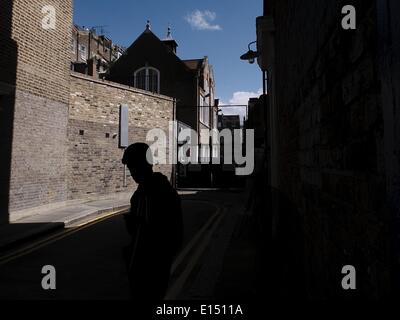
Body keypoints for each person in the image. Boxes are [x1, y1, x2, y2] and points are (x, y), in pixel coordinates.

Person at [121, 143, 183, 300]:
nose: (131, 172)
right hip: (159, 262)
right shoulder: (162, 189)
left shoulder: (147, 194)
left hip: (148, 266)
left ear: (143, 164)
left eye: (132, 167)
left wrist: (132, 222)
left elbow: (146, 232)